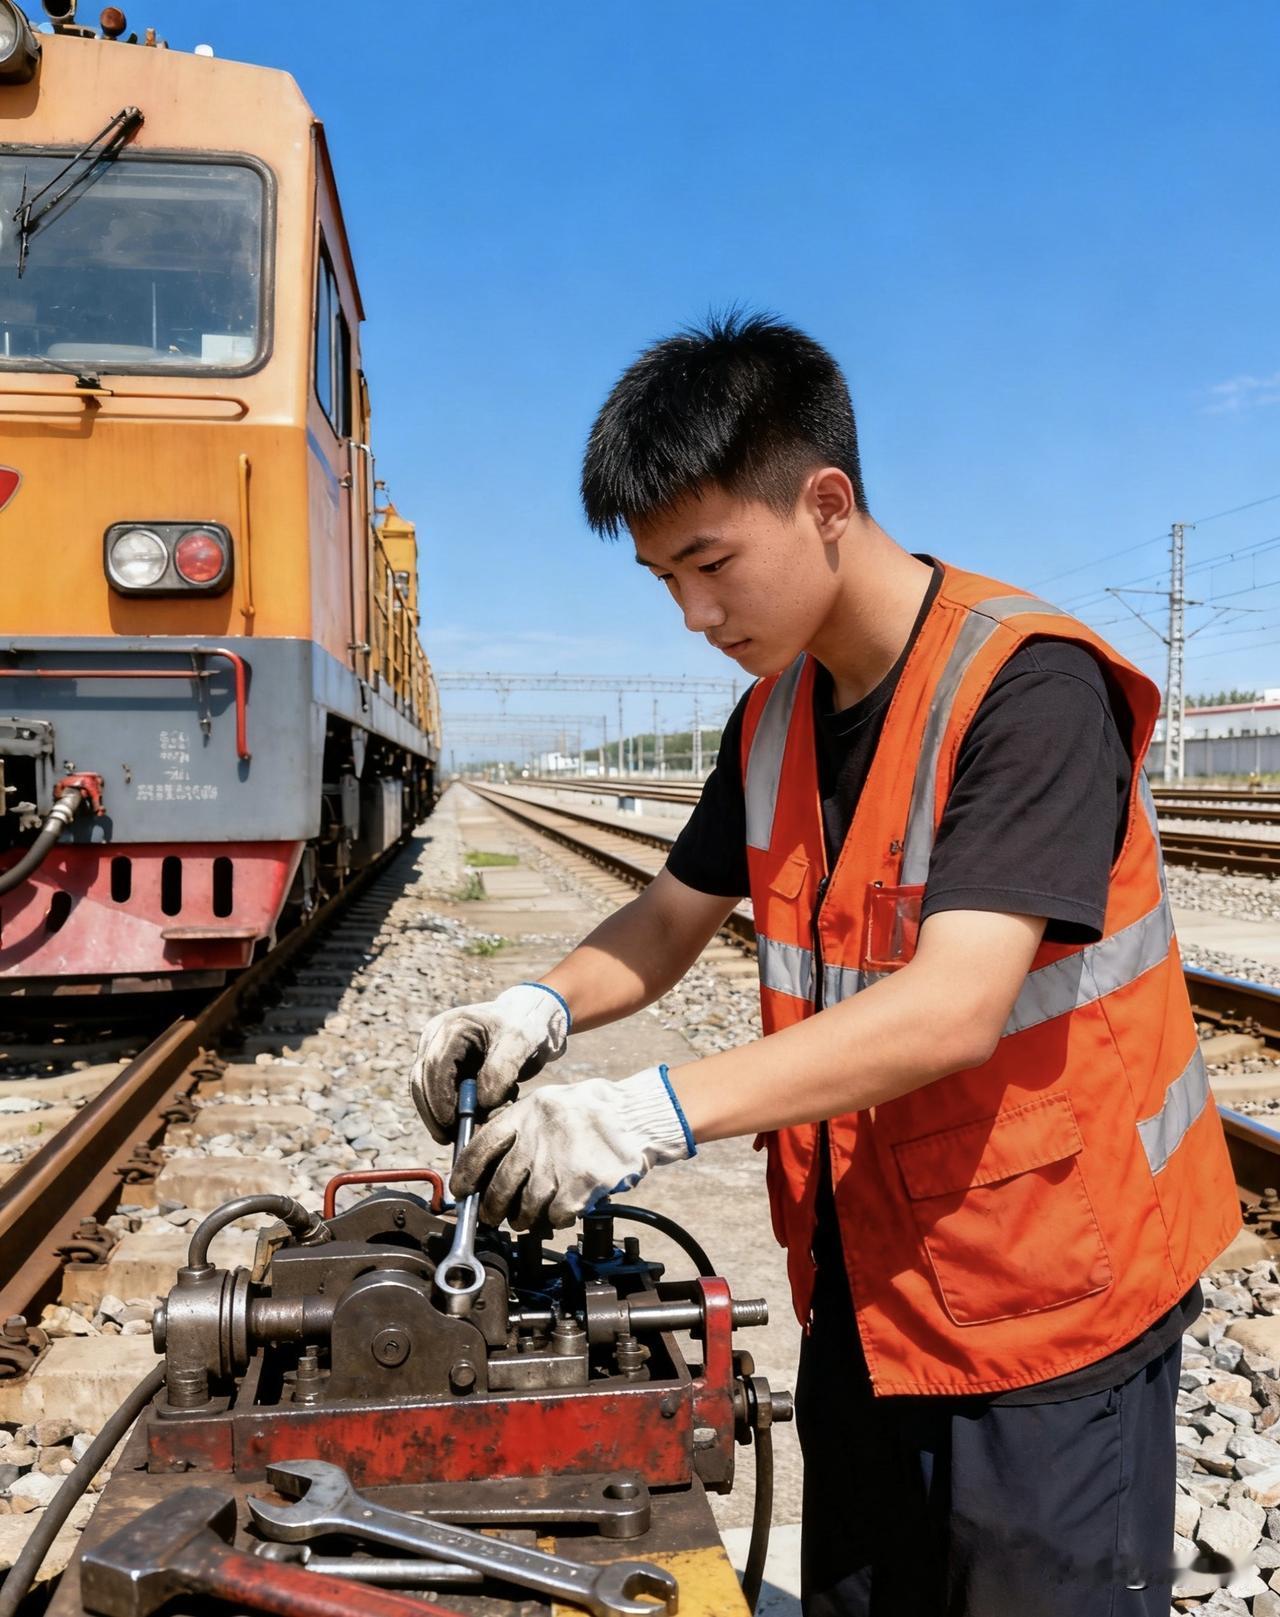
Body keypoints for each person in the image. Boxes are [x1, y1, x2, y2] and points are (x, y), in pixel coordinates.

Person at [410, 313, 1240, 1616]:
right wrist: (535, 1006)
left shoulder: (1025, 688)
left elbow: (958, 1004)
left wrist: (644, 1110)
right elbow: (669, 916)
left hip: (1049, 1303)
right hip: (869, 1284)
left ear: (827, 502)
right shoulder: (775, 713)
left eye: (710, 563)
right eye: (662, 581)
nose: (692, 613)